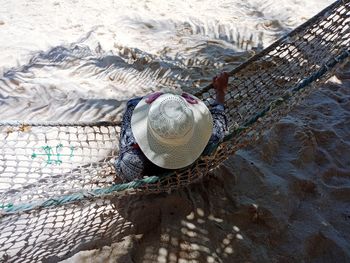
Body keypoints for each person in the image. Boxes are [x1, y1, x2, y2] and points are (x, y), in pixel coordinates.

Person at [115, 72, 229, 182]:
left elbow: (132, 105)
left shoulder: (132, 159)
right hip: (187, 170)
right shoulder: (209, 139)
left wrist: (156, 100)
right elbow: (219, 118)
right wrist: (220, 92)